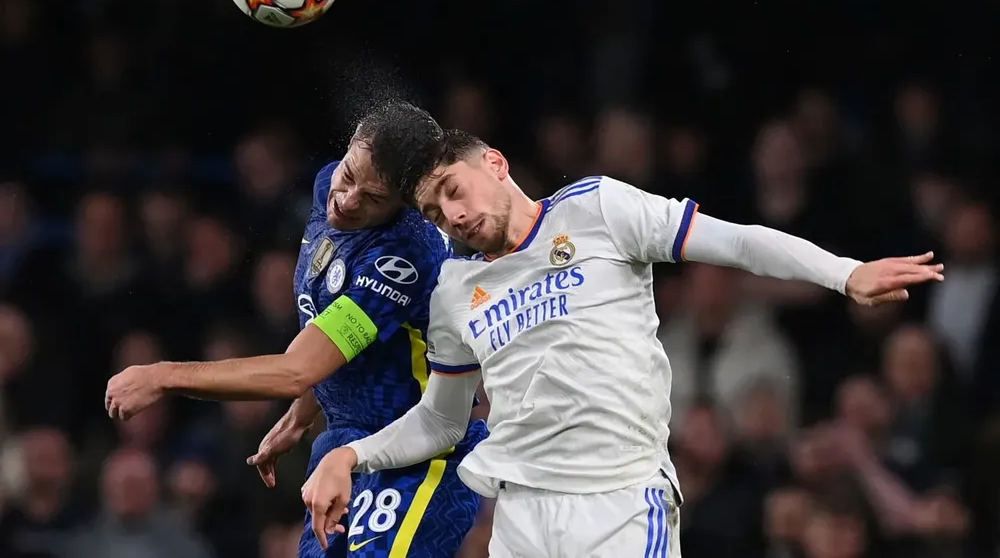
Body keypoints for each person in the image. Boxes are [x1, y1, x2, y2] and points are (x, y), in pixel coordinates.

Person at [299, 128, 945, 558]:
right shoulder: (454, 288)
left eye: (453, 190)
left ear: (494, 163)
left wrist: (847, 272)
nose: (455, 215)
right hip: (521, 518)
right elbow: (441, 420)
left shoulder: (597, 209)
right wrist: (350, 455)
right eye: (437, 214)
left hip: (619, 504)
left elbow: (740, 242)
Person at [104, 105, 490, 558]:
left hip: (417, 454)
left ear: (405, 205)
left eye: (373, 198)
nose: (346, 200)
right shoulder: (327, 184)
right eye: (350, 176)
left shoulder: (404, 255)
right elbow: (334, 333)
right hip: (342, 446)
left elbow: (296, 369)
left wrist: (163, 375)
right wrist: (303, 412)